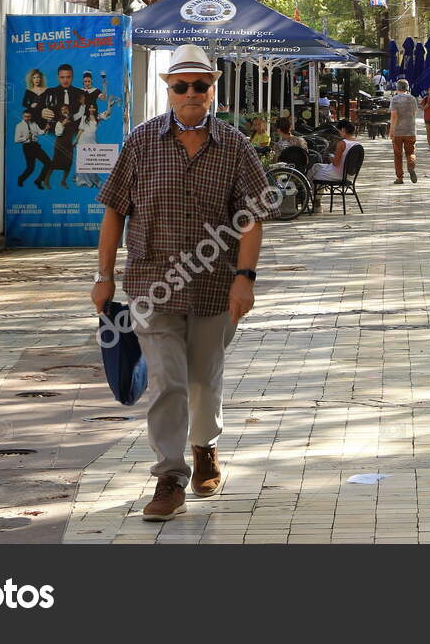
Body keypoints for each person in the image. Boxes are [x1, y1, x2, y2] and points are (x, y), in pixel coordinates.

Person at [93, 44, 266, 522]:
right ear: (168, 90)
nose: (191, 93)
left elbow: (251, 219)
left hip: (214, 286)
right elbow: (114, 211)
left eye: (200, 85)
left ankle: (204, 448)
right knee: (168, 380)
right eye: (181, 86)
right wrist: (103, 277)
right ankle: (169, 477)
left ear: (212, 89)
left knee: (202, 379)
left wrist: (245, 278)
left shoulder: (234, 146)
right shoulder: (141, 142)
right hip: (152, 284)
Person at [38, 63, 85, 189]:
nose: (65, 80)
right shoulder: (50, 92)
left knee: (68, 162)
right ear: (58, 77)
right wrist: (41, 112)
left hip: (71, 137)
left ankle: (63, 181)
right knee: (55, 161)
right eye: (62, 77)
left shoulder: (80, 93)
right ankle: (46, 180)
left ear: (72, 77)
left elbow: (82, 114)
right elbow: (37, 109)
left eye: (68, 77)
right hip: (58, 136)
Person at [310, 119, 362, 184]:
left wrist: (330, 157)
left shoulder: (342, 143)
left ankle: (304, 189)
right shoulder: (357, 144)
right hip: (349, 175)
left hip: (338, 175)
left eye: (339, 131)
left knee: (313, 170)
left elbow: (336, 163)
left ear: (343, 130)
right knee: (317, 166)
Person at [388, 78, 419, 184]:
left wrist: (391, 130)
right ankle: (411, 165)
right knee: (410, 152)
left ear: (397, 88)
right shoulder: (412, 99)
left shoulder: (395, 99)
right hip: (410, 130)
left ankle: (400, 178)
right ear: (407, 87)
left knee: (398, 155)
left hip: (398, 131)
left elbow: (394, 116)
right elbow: (414, 113)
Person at [14, 109, 47, 187]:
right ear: (23, 116)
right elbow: (16, 140)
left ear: (31, 117)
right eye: (25, 116)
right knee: (31, 168)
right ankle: (21, 178)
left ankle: (39, 180)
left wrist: (45, 129)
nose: (27, 118)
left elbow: (40, 132)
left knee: (48, 163)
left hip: (36, 146)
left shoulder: (34, 124)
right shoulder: (19, 126)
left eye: (28, 117)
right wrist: (25, 138)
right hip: (27, 147)